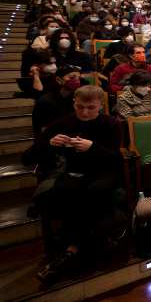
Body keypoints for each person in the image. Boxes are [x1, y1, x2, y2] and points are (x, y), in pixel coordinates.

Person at [25, 86, 123, 282]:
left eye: (91, 108)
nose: (85, 112)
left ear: (100, 106)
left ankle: (72, 249)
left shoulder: (111, 123)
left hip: (104, 172)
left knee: (93, 190)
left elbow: (115, 159)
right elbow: (28, 157)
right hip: (73, 172)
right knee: (68, 190)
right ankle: (89, 245)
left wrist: (93, 147)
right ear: (74, 104)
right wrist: (49, 144)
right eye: (80, 107)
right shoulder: (64, 123)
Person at [32, 65, 83, 137]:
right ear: (59, 80)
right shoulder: (45, 101)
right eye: (72, 77)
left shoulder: (78, 98)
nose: (76, 81)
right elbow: (42, 130)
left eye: (79, 78)